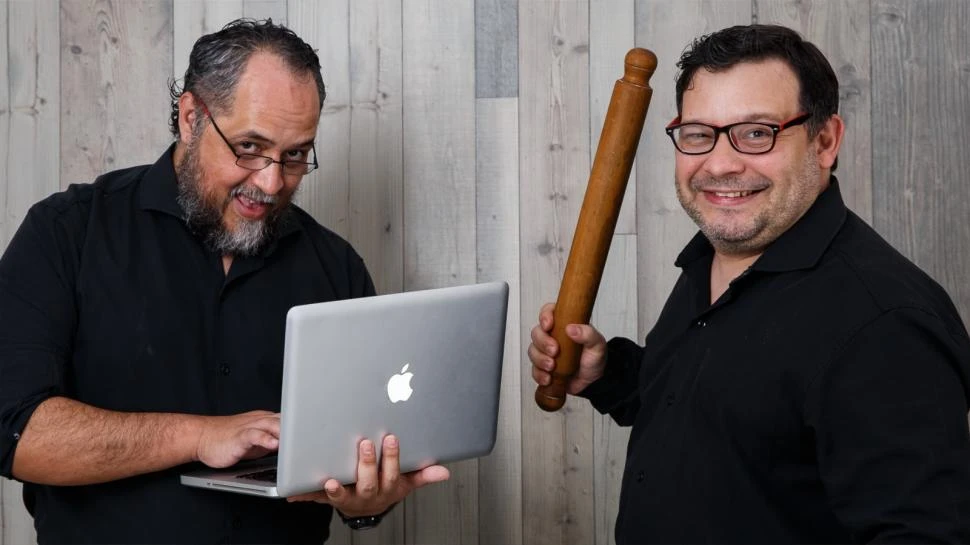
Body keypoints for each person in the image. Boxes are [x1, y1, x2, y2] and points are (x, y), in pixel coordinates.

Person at [0, 19, 448, 544]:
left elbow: (361, 453)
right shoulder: (67, 233)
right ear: (191, 118)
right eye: (251, 147)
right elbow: (14, 430)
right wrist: (199, 436)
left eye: (296, 155)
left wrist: (366, 501)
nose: (272, 181)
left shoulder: (337, 267)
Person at [529, 24, 970, 542]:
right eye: (699, 134)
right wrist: (611, 374)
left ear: (825, 140)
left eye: (757, 132)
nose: (720, 163)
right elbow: (721, 416)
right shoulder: (715, 259)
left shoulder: (885, 326)